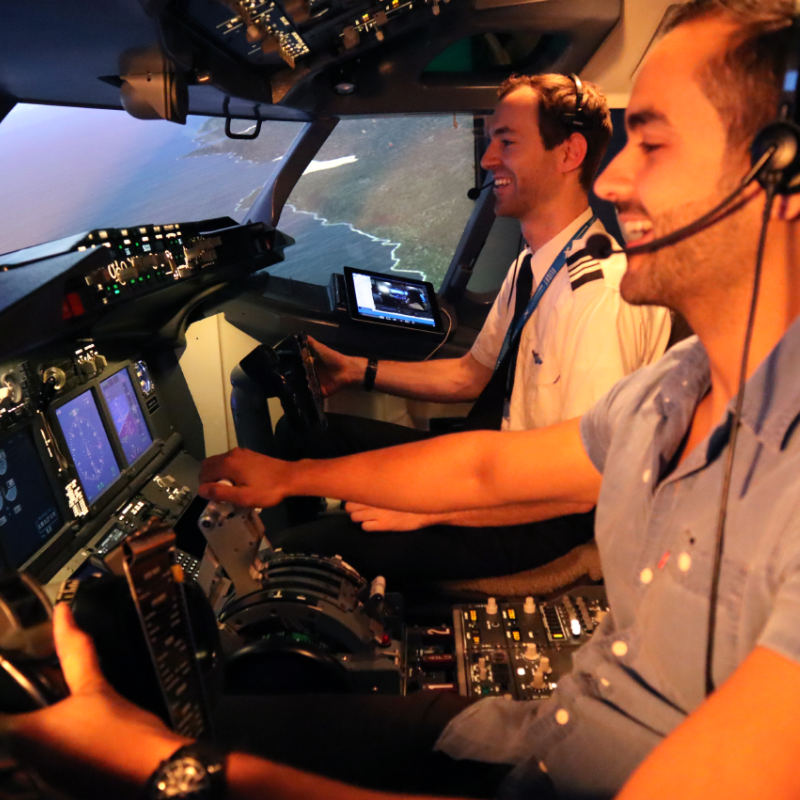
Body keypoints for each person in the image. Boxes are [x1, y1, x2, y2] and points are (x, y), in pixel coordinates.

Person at [7, 2, 800, 799]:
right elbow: (494, 465)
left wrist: (166, 771)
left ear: (785, 171)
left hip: (564, 762)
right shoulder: (678, 388)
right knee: (217, 713)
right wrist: (292, 478)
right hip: (541, 734)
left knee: (184, 738)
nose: (617, 178)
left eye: (654, 144)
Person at [272, 74, 671, 585]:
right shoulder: (532, 265)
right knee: (305, 433)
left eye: (507, 142)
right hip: (496, 462)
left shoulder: (599, 296)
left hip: (540, 516)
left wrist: (431, 509)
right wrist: (356, 370)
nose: (486, 160)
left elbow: (584, 485)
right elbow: (469, 375)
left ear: (568, 152)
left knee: (298, 553)